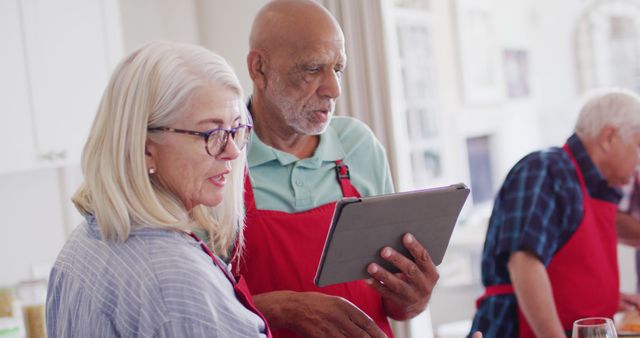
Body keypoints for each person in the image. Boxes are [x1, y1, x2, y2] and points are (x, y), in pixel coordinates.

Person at [234, 1, 439, 337]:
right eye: (312, 69)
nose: (334, 90)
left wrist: (415, 296)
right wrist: (279, 310)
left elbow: (396, 304)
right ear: (259, 68)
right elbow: (194, 310)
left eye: (338, 69)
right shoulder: (219, 160)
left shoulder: (359, 145)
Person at [46, 41, 271, 337]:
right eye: (213, 133)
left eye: (236, 131)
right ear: (145, 147)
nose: (232, 151)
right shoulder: (177, 279)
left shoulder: (84, 242)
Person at [470, 89, 640, 338]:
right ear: (609, 137)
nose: (638, 162)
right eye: (638, 145)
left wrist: (598, 298)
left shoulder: (594, 188)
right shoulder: (546, 169)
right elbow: (525, 263)